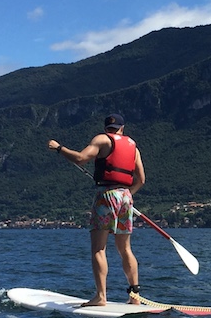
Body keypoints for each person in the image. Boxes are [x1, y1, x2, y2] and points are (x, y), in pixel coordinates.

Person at [48, 113, 146, 306]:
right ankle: (135, 298)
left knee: (98, 248)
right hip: (126, 197)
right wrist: (128, 195)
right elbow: (141, 180)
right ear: (122, 128)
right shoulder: (133, 147)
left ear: (106, 128)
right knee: (125, 248)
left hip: (106, 196)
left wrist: (58, 148)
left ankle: (101, 297)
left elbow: (81, 158)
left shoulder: (102, 139)